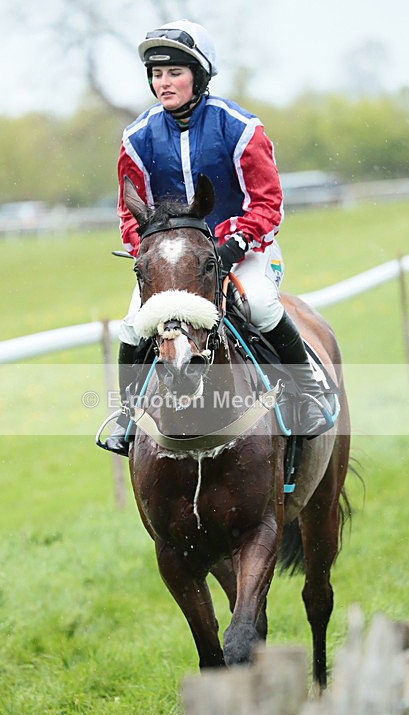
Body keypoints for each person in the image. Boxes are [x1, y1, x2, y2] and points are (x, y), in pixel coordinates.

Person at [104, 19, 333, 455]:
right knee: (133, 327)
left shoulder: (241, 128)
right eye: (156, 74)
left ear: (199, 75)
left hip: (244, 250)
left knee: (262, 305)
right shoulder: (136, 137)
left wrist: (231, 249)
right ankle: (127, 415)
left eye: (174, 72)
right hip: (174, 263)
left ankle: (306, 394)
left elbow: (268, 204)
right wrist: (151, 258)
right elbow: (130, 212)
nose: (163, 83)